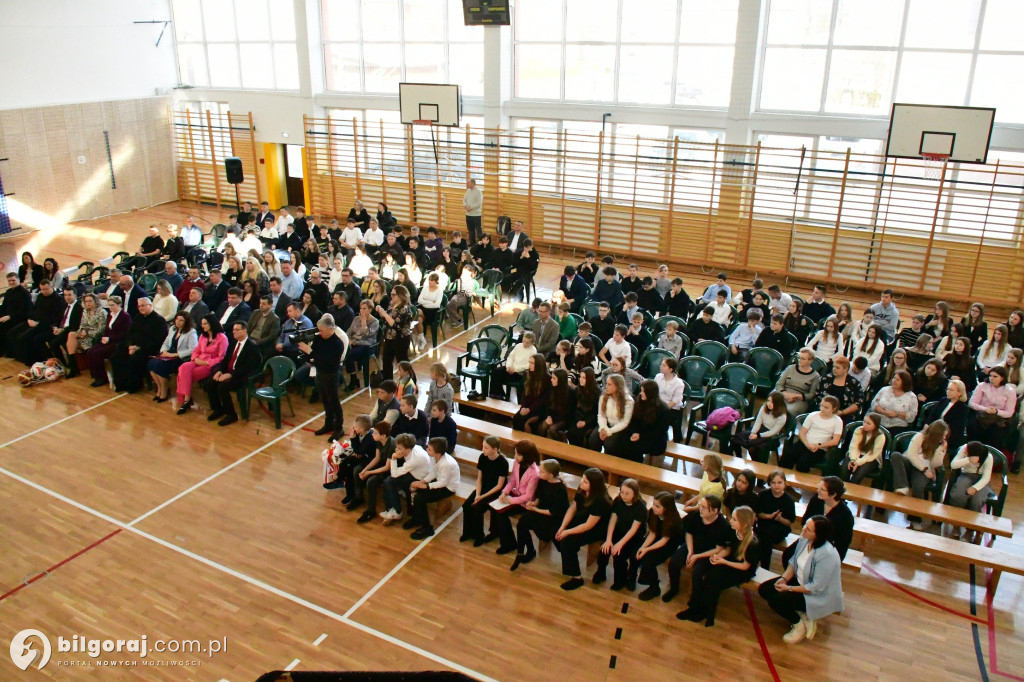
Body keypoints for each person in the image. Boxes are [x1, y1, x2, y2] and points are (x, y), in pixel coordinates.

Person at [758, 515, 844, 645]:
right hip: (799, 581)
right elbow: (793, 562)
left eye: (808, 529)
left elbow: (815, 587)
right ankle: (803, 614)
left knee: (775, 600)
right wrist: (784, 578)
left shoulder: (827, 555)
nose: (803, 530)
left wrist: (789, 588)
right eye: (805, 526)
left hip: (817, 594)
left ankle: (798, 625)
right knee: (765, 589)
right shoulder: (804, 540)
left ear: (818, 535)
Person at [675, 506, 758, 627]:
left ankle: (708, 613)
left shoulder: (753, 543)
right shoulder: (732, 531)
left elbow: (745, 566)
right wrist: (718, 556)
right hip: (730, 561)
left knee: (714, 583)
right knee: (709, 577)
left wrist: (723, 562)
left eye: (734, 520)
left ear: (744, 524)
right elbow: (728, 549)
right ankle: (695, 608)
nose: (731, 521)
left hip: (741, 570)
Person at [663, 494, 731, 603]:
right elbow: (689, 533)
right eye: (700, 505)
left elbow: (718, 549)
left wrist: (697, 556)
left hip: (708, 553)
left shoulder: (723, 526)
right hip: (692, 546)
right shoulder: (696, 516)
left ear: (714, 511)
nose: (700, 509)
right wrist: (690, 551)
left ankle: (695, 598)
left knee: (697, 573)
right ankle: (674, 588)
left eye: (704, 507)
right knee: (674, 562)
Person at [556, 468, 613, 591]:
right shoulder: (582, 489)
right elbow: (573, 508)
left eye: (586, 481)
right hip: (583, 518)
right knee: (559, 533)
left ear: (594, 485)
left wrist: (568, 531)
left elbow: (588, 525)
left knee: (568, 542)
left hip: (596, 528)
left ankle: (577, 578)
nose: (582, 482)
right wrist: (563, 526)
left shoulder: (600, 500)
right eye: (583, 478)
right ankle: (569, 558)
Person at [510, 459, 570, 571]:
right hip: (541, 511)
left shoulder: (560, 489)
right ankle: (524, 551)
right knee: (522, 523)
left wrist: (535, 509)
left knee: (561, 543)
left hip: (554, 518)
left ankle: (569, 567)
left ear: (551, 475)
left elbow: (553, 512)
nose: (539, 473)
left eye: (542, 471)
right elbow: (539, 497)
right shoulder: (543, 480)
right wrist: (534, 503)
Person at [202, 321, 263, 426]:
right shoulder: (233, 343)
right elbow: (225, 361)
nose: (234, 332)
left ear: (244, 331)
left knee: (222, 387)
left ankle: (231, 415)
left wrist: (231, 375)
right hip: (229, 371)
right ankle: (218, 409)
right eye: (233, 330)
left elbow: (248, 367)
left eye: (237, 330)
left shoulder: (252, 347)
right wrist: (220, 371)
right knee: (210, 383)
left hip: (241, 376)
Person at [784, 477, 854, 566]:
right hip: (808, 540)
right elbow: (805, 521)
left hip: (826, 547)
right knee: (788, 555)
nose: (818, 490)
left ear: (833, 494)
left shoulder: (845, 515)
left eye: (822, 489)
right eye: (818, 487)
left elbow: (843, 542)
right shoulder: (816, 500)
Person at [891, 420, 948, 528]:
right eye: (943, 435)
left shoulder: (941, 444)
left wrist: (940, 450)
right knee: (896, 456)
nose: (944, 438)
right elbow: (911, 455)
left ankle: (915, 519)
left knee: (919, 486)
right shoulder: (919, 437)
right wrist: (923, 469)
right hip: (912, 464)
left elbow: (935, 463)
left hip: (924, 471)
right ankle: (902, 486)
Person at [594, 479, 647, 590]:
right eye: (622, 492)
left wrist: (619, 544)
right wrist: (609, 540)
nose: (623, 496)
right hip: (620, 531)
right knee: (604, 549)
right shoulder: (618, 501)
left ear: (635, 494)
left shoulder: (641, 507)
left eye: (627, 493)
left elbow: (633, 529)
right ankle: (601, 572)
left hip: (634, 537)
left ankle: (624, 579)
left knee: (619, 555)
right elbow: (613, 520)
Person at [490, 440, 542, 554]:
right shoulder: (517, 463)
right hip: (515, 494)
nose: (515, 457)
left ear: (527, 456)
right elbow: (513, 480)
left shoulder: (535, 473)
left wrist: (510, 500)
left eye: (518, 454)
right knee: (494, 508)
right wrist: (504, 492)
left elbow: (528, 496)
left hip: (524, 503)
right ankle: (500, 535)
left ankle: (509, 544)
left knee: (501, 513)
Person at [406, 437, 460, 540]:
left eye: (429, 449)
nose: (426, 449)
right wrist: (421, 482)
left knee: (419, 498)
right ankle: (417, 518)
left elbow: (443, 483)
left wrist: (426, 486)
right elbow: (433, 472)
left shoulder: (446, 464)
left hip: (448, 487)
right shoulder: (433, 457)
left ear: (438, 453)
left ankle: (427, 528)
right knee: (413, 488)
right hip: (439, 482)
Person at [460, 435, 509, 547]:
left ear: (495, 449)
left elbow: (499, 486)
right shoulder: (483, 457)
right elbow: (479, 479)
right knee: (466, 506)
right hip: (483, 489)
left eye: (486, 448)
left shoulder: (502, 462)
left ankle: (479, 536)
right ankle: (468, 532)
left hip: (495, 493)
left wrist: (481, 497)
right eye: (483, 447)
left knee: (477, 509)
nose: (483, 450)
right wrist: (477, 494)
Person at [110, 298, 166, 393]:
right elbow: (130, 333)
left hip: (148, 348)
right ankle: (121, 384)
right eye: (139, 306)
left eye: (143, 305)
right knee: (116, 356)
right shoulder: (138, 317)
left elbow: (158, 340)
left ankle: (133, 386)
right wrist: (130, 345)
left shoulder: (159, 320)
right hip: (133, 346)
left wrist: (139, 348)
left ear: (150, 305)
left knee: (134, 359)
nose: (140, 308)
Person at [780, 396, 843, 473]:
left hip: (820, 448)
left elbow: (835, 441)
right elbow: (802, 432)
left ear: (834, 409)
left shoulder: (837, 421)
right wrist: (807, 443)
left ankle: (800, 483)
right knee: (787, 457)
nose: (822, 409)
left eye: (826, 407)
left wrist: (818, 445)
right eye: (821, 406)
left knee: (803, 463)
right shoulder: (813, 415)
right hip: (804, 443)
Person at [948, 442, 995, 541]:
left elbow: (986, 477)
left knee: (976, 500)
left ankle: (970, 530)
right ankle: (956, 525)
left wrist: (975, 488)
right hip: (967, 474)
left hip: (981, 479)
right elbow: (953, 465)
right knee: (958, 495)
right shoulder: (965, 448)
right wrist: (968, 459)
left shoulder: (988, 457)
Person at [13, 280, 65, 365]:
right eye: (42, 289)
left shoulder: (58, 299)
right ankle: (34, 359)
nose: (44, 291)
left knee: (32, 337)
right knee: (20, 336)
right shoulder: (40, 296)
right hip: (36, 323)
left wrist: (38, 323)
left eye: (46, 289)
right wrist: (30, 318)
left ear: (51, 287)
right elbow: (35, 309)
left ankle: (46, 359)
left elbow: (56, 317)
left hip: (47, 326)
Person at [148, 312, 197, 402]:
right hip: (168, 354)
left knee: (160, 366)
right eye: (177, 319)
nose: (178, 322)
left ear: (186, 322)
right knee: (151, 363)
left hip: (180, 357)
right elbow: (166, 342)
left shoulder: (191, 332)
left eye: (181, 320)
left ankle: (164, 391)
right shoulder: (173, 329)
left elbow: (193, 349)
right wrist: (164, 351)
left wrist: (174, 354)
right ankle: (160, 389)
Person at [755, 470, 797, 569]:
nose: (776, 485)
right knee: (763, 535)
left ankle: (764, 566)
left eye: (779, 482)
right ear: (769, 483)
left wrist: (779, 519)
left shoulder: (789, 500)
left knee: (766, 536)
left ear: (785, 484)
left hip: (780, 527)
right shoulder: (763, 494)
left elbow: (789, 522)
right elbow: (758, 513)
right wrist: (769, 516)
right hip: (764, 524)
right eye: (773, 482)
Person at [967, 366, 1016, 448]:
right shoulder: (982, 386)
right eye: (990, 376)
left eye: (995, 376)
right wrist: (985, 409)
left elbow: (1009, 413)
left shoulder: (1010, 391)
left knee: (995, 434)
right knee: (973, 427)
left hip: (998, 419)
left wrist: (997, 411)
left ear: (1002, 378)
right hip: (981, 415)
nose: (991, 378)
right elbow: (971, 403)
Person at [732, 391, 788, 463]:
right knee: (736, 438)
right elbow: (758, 422)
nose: (769, 404)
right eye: (768, 401)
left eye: (772, 402)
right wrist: (753, 432)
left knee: (753, 448)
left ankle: (757, 465)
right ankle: (739, 457)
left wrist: (758, 435)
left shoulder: (782, 416)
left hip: (770, 436)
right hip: (760, 429)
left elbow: (774, 432)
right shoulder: (764, 408)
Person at [86, 296, 130, 387]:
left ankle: (102, 378)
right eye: (109, 305)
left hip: (118, 343)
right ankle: (96, 375)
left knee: (97, 353)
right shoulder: (110, 315)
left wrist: (110, 339)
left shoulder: (125, 316)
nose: (111, 308)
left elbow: (125, 334)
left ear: (119, 304)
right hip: (108, 341)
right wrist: (104, 337)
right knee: (90, 351)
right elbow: (107, 329)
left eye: (113, 305)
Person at [624, 380, 671, 463]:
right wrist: (634, 432)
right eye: (641, 390)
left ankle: (636, 469)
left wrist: (641, 436)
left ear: (650, 393)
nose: (641, 393)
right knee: (623, 441)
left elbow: (660, 431)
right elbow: (634, 421)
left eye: (643, 391)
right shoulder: (639, 402)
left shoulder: (662, 408)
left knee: (633, 447)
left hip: (656, 440)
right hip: (640, 435)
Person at [63, 293, 107, 377]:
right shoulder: (85, 311)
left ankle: (74, 368)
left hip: (95, 337)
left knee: (71, 339)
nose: (88, 303)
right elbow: (82, 325)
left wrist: (87, 334)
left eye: (90, 301)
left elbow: (101, 330)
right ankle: (73, 367)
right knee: (71, 334)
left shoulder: (101, 312)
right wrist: (81, 332)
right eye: (86, 301)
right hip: (85, 334)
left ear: (95, 301)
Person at [589, 374, 634, 456]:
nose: (606, 386)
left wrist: (609, 431)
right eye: (606, 383)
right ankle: (594, 465)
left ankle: (609, 466)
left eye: (609, 384)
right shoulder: (603, 396)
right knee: (593, 439)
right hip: (606, 425)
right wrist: (603, 428)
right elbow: (601, 415)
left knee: (610, 444)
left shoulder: (629, 401)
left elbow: (624, 422)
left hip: (619, 429)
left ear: (618, 386)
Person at [376, 284, 413, 380]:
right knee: (386, 361)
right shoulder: (392, 304)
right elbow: (387, 320)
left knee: (403, 362)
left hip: (400, 339)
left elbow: (396, 325)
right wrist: (382, 313)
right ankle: (388, 383)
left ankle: (411, 381)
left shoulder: (404, 309)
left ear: (401, 296)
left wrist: (384, 314)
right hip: (389, 337)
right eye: (391, 294)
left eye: (394, 295)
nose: (391, 296)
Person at [840, 412, 886, 484]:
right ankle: (841, 489)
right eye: (864, 422)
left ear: (875, 425)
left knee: (859, 474)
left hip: (871, 458)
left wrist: (858, 462)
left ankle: (852, 490)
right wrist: (853, 459)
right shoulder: (859, 430)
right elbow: (853, 447)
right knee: (845, 469)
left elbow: (872, 454)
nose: (865, 425)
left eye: (868, 423)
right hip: (855, 455)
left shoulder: (880, 436)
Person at [815, 356, 862, 423]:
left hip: (844, 414)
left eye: (837, 368)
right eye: (833, 366)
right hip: (823, 409)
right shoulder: (825, 379)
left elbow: (858, 402)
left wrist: (842, 412)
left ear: (845, 369)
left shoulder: (854, 383)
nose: (834, 369)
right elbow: (817, 395)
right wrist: (826, 409)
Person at [870, 370, 919, 435]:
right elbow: (874, 404)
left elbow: (912, 416)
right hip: (879, 422)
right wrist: (884, 412)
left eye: (897, 380)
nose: (894, 381)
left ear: (904, 383)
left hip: (898, 426)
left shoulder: (912, 397)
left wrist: (896, 414)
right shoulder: (884, 390)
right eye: (894, 378)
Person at [490, 331, 535, 400]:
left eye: (527, 342)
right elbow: (510, 357)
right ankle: (496, 394)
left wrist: (515, 369)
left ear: (532, 343)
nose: (524, 344)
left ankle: (500, 395)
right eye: (523, 341)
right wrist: (508, 366)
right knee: (496, 371)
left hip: (520, 373)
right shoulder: (518, 346)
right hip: (511, 368)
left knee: (500, 376)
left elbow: (528, 365)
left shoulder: (533, 351)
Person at [775, 348, 820, 416]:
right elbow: (779, 384)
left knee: (789, 410)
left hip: (799, 399)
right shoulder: (790, 368)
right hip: (783, 393)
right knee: (772, 404)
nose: (800, 360)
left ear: (810, 361)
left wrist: (795, 396)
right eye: (799, 358)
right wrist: (785, 394)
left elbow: (811, 395)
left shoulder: (815, 376)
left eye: (803, 359)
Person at [512, 353, 550, 433]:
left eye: (532, 363)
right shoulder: (528, 375)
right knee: (516, 419)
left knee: (525, 422)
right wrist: (523, 407)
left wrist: (529, 409)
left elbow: (542, 399)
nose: (530, 365)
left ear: (539, 365)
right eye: (529, 362)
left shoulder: (547, 379)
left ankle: (528, 443)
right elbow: (525, 394)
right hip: (528, 406)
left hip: (539, 408)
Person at [538, 369, 576, 440]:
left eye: (554, 378)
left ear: (560, 380)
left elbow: (568, 412)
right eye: (552, 377)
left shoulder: (571, 392)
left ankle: (560, 446)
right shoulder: (551, 388)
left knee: (552, 429)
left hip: (564, 418)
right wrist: (549, 417)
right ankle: (541, 446)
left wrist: (554, 420)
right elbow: (547, 405)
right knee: (543, 426)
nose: (551, 380)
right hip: (553, 415)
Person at [655, 357, 686, 443]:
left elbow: (674, 401)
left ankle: (661, 439)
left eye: (664, 365)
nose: (660, 366)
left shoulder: (679, 383)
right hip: (658, 405)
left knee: (660, 418)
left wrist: (661, 409)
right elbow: (654, 392)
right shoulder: (658, 377)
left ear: (670, 369)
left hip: (672, 409)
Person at [0, 271, 32, 354]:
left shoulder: (24, 293)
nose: (11, 282)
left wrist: (9, 316)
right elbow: (4, 307)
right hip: (8, 317)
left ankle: (10, 352)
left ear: (18, 280)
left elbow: (25, 311)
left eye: (13, 280)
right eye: (9, 281)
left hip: (19, 319)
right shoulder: (8, 292)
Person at [568, 367, 600, 447]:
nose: (581, 379)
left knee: (581, 436)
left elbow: (596, 413)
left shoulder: (597, 393)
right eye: (580, 377)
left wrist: (585, 422)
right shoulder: (578, 389)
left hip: (590, 420)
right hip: (579, 418)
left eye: (584, 378)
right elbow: (575, 407)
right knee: (570, 432)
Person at [463, 178, 483, 244]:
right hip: (468, 214)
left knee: (478, 230)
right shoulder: (467, 191)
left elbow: (479, 202)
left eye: (468, 182)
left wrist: (471, 207)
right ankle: (472, 243)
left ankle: (480, 244)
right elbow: (464, 200)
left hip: (476, 215)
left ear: (473, 183)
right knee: (470, 230)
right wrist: (465, 206)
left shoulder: (478, 192)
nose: (467, 184)